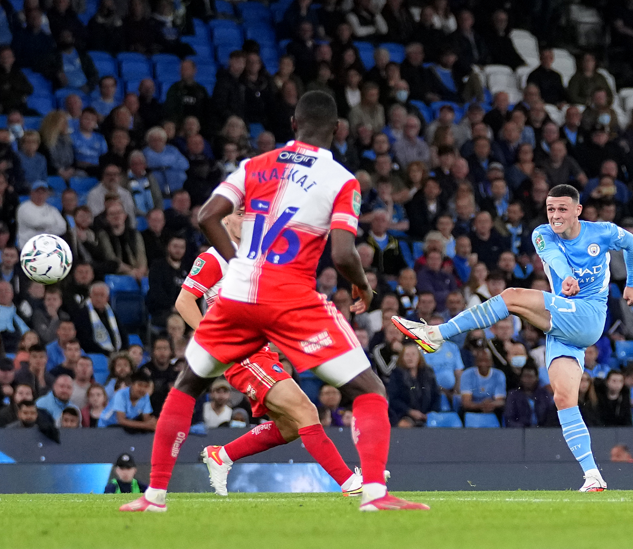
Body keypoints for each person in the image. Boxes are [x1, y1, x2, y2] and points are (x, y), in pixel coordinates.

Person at [121, 91, 426, 512]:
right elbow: (341, 254)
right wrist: (362, 286)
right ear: (337, 130)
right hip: (290, 295)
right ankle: (373, 493)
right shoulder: (341, 180)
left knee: (187, 385)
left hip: (238, 297)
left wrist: (239, 261)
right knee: (368, 388)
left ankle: (153, 497)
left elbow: (206, 215)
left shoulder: (252, 166)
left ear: (292, 124)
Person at [395, 183, 633, 492]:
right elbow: (554, 257)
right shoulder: (542, 234)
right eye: (551, 209)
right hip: (564, 323)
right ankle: (593, 476)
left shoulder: (602, 232)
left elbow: (631, 242)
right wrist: (565, 276)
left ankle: (436, 333)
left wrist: (632, 283)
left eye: (563, 209)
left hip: (589, 314)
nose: (555, 215)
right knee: (564, 399)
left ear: (578, 210)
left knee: (511, 296)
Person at [175, 204, 364, 496]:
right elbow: (184, 302)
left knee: (289, 426)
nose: (246, 219)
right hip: (241, 354)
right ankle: (349, 483)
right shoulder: (213, 258)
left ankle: (221, 455)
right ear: (224, 221)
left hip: (262, 352)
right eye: (238, 213)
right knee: (306, 410)